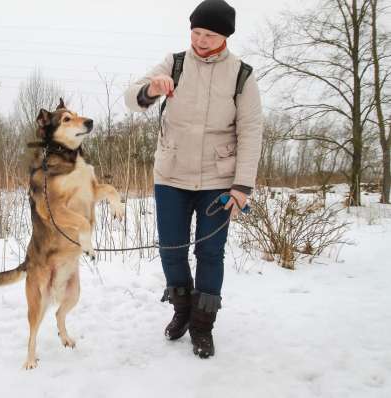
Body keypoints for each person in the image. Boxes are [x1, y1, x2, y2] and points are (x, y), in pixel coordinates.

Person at [123, 0, 263, 358]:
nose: (200, 40)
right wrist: (152, 89)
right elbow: (132, 98)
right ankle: (182, 310)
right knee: (171, 250)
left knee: (210, 253)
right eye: (196, 32)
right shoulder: (175, 62)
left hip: (218, 181)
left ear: (225, 36)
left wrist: (242, 186)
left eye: (209, 34)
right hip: (171, 175)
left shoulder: (242, 75)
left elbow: (251, 132)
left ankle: (203, 325)